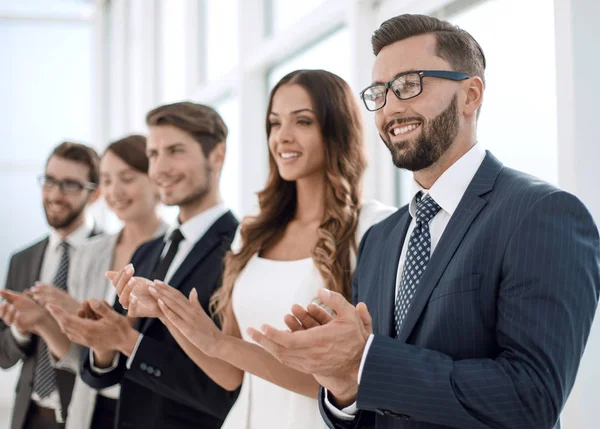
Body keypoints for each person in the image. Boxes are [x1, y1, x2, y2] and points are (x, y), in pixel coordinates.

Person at [249, 14, 600, 429]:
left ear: (470, 95)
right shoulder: (381, 239)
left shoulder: (542, 214)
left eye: (410, 84)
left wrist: (365, 360)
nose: (392, 107)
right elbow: (374, 413)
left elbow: (532, 399)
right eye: (380, 92)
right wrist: (342, 383)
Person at [111, 69, 396, 428]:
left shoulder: (374, 227)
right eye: (275, 124)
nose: (283, 137)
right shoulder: (252, 232)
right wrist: (165, 309)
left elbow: (347, 379)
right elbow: (231, 374)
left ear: (336, 130)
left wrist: (218, 343)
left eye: (303, 121)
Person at [48, 102, 239, 429]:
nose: (160, 168)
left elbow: (229, 386)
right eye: (153, 154)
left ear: (217, 155)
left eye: (175, 150)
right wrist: (103, 343)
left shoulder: (240, 249)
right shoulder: (148, 253)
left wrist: (127, 341)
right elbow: (108, 376)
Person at [35, 135, 168, 429]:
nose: (114, 191)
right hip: (90, 411)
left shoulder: (176, 251)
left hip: (149, 413)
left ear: (156, 178)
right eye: (106, 180)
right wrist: (47, 322)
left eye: (127, 178)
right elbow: (79, 360)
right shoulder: (90, 254)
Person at [0, 142, 101, 429]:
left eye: (69, 185)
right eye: (50, 181)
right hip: (30, 416)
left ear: (95, 193)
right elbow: (3, 356)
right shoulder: (22, 259)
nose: (55, 194)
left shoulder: (114, 257)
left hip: (87, 418)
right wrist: (21, 328)